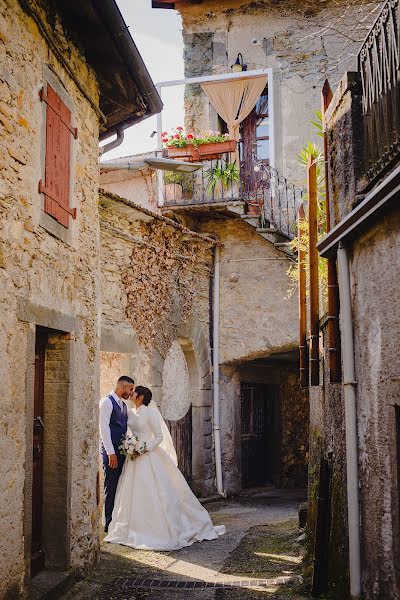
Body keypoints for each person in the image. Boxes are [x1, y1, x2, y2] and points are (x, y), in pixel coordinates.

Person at [105, 386, 225, 550]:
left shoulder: (150, 412)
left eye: (134, 392)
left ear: (140, 396)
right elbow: (129, 433)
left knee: (156, 490)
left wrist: (144, 448)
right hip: (133, 458)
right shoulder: (131, 412)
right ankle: (131, 527)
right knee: (132, 492)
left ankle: (159, 528)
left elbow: (159, 437)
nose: (131, 394)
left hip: (148, 456)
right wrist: (130, 445)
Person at [99, 375, 135, 533]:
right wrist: (110, 453)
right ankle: (108, 523)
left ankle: (117, 520)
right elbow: (104, 429)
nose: (131, 392)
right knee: (111, 485)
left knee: (120, 485)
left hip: (122, 452)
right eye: (130, 389)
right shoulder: (106, 402)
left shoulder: (124, 405)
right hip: (111, 452)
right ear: (122, 387)